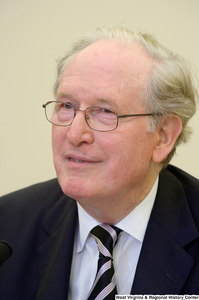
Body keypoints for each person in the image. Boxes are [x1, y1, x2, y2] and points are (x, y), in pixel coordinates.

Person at [0, 26, 199, 299]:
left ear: (163, 136)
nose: (74, 134)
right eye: (66, 106)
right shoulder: (7, 225)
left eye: (105, 111)